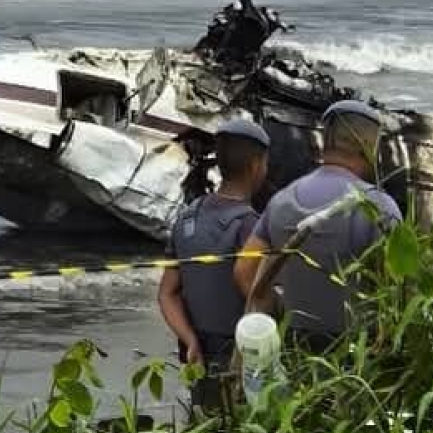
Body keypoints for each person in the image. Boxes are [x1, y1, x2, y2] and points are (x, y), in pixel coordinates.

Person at [234, 99, 402, 350]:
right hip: (354, 363)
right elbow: (399, 291)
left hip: (293, 351)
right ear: (370, 147)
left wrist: (279, 316)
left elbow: (244, 271)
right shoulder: (380, 208)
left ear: (326, 141)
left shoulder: (281, 201)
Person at [158, 117, 270, 412]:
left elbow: (167, 293)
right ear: (257, 165)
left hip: (198, 355)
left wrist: (189, 339)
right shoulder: (251, 228)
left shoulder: (187, 217)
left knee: (206, 429)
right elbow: (258, 298)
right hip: (240, 360)